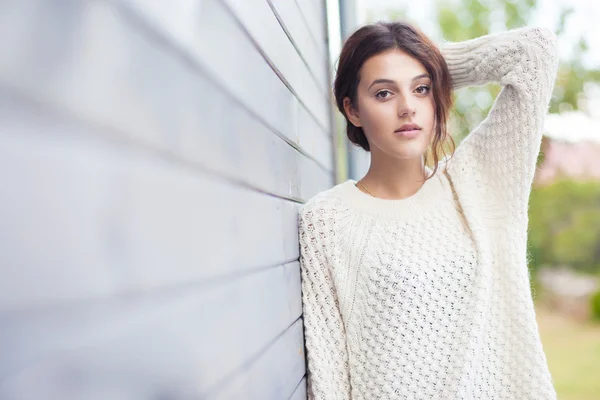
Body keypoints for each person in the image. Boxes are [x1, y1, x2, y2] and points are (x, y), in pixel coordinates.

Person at [298, 20, 559, 400]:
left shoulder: (478, 181)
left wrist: (426, 60)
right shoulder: (326, 219)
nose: (408, 108)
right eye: (384, 93)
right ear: (352, 110)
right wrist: (410, 69)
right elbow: (330, 372)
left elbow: (534, 52)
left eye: (421, 89)